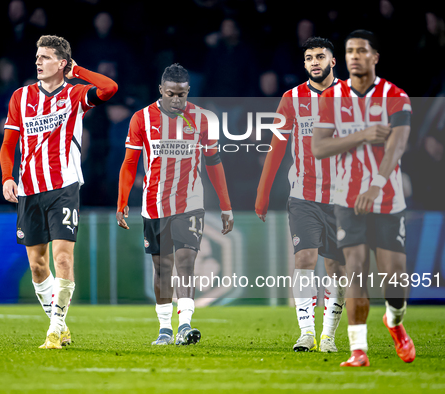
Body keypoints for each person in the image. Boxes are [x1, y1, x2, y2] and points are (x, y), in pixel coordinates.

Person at [0, 35, 117, 349]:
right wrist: (7, 177)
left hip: (64, 186)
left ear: (62, 63)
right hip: (29, 188)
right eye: (37, 57)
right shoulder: (20, 97)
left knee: (62, 259)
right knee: (38, 266)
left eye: (46, 57)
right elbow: (9, 144)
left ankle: (55, 329)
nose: (38, 61)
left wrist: (80, 72)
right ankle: (59, 325)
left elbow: (109, 88)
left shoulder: (75, 94)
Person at [312, 30, 415, 367]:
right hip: (346, 198)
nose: (354, 56)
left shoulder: (396, 96)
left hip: (387, 199)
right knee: (354, 268)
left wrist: (377, 184)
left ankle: (394, 321)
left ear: (375, 57)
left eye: (361, 51)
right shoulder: (331, 97)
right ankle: (359, 351)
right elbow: (319, 147)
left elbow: (397, 144)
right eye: (349, 51)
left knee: (394, 279)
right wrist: (363, 135)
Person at [116, 64, 233, 346]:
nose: (177, 100)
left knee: (185, 262)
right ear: (161, 90)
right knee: (161, 268)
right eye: (171, 94)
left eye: (182, 94)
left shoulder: (203, 119)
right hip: (154, 205)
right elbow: (130, 163)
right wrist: (122, 202)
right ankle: (165, 329)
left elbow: (214, 163)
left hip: (190, 201)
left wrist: (226, 205)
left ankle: (185, 325)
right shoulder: (142, 118)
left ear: (188, 91)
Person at [255, 37, 347, 353]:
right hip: (304, 195)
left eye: (320, 56)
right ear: (305, 64)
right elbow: (276, 147)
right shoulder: (291, 99)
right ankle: (306, 333)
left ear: (333, 61)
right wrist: (262, 192)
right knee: (304, 259)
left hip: (343, 199)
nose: (314, 62)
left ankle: (329, 336)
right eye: (309, 58)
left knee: (337, 269)